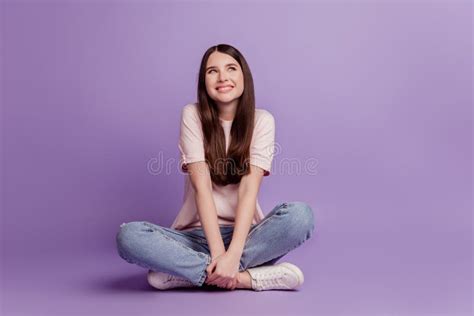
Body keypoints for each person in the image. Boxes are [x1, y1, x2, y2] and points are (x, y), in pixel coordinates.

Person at [116, 44, 315, 291]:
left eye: (231, 68)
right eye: (212, 71)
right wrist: (220, 254)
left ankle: (189, 274)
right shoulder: (192, 115)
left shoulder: (262, 120)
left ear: (244, 77)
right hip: (194, 238)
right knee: (129, 237)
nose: (223, 77)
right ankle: (248, 278)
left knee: (300, 216)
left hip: (246, 237)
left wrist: (232, 255)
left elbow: (248, 192)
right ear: (204, 81)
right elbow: (202, 189)